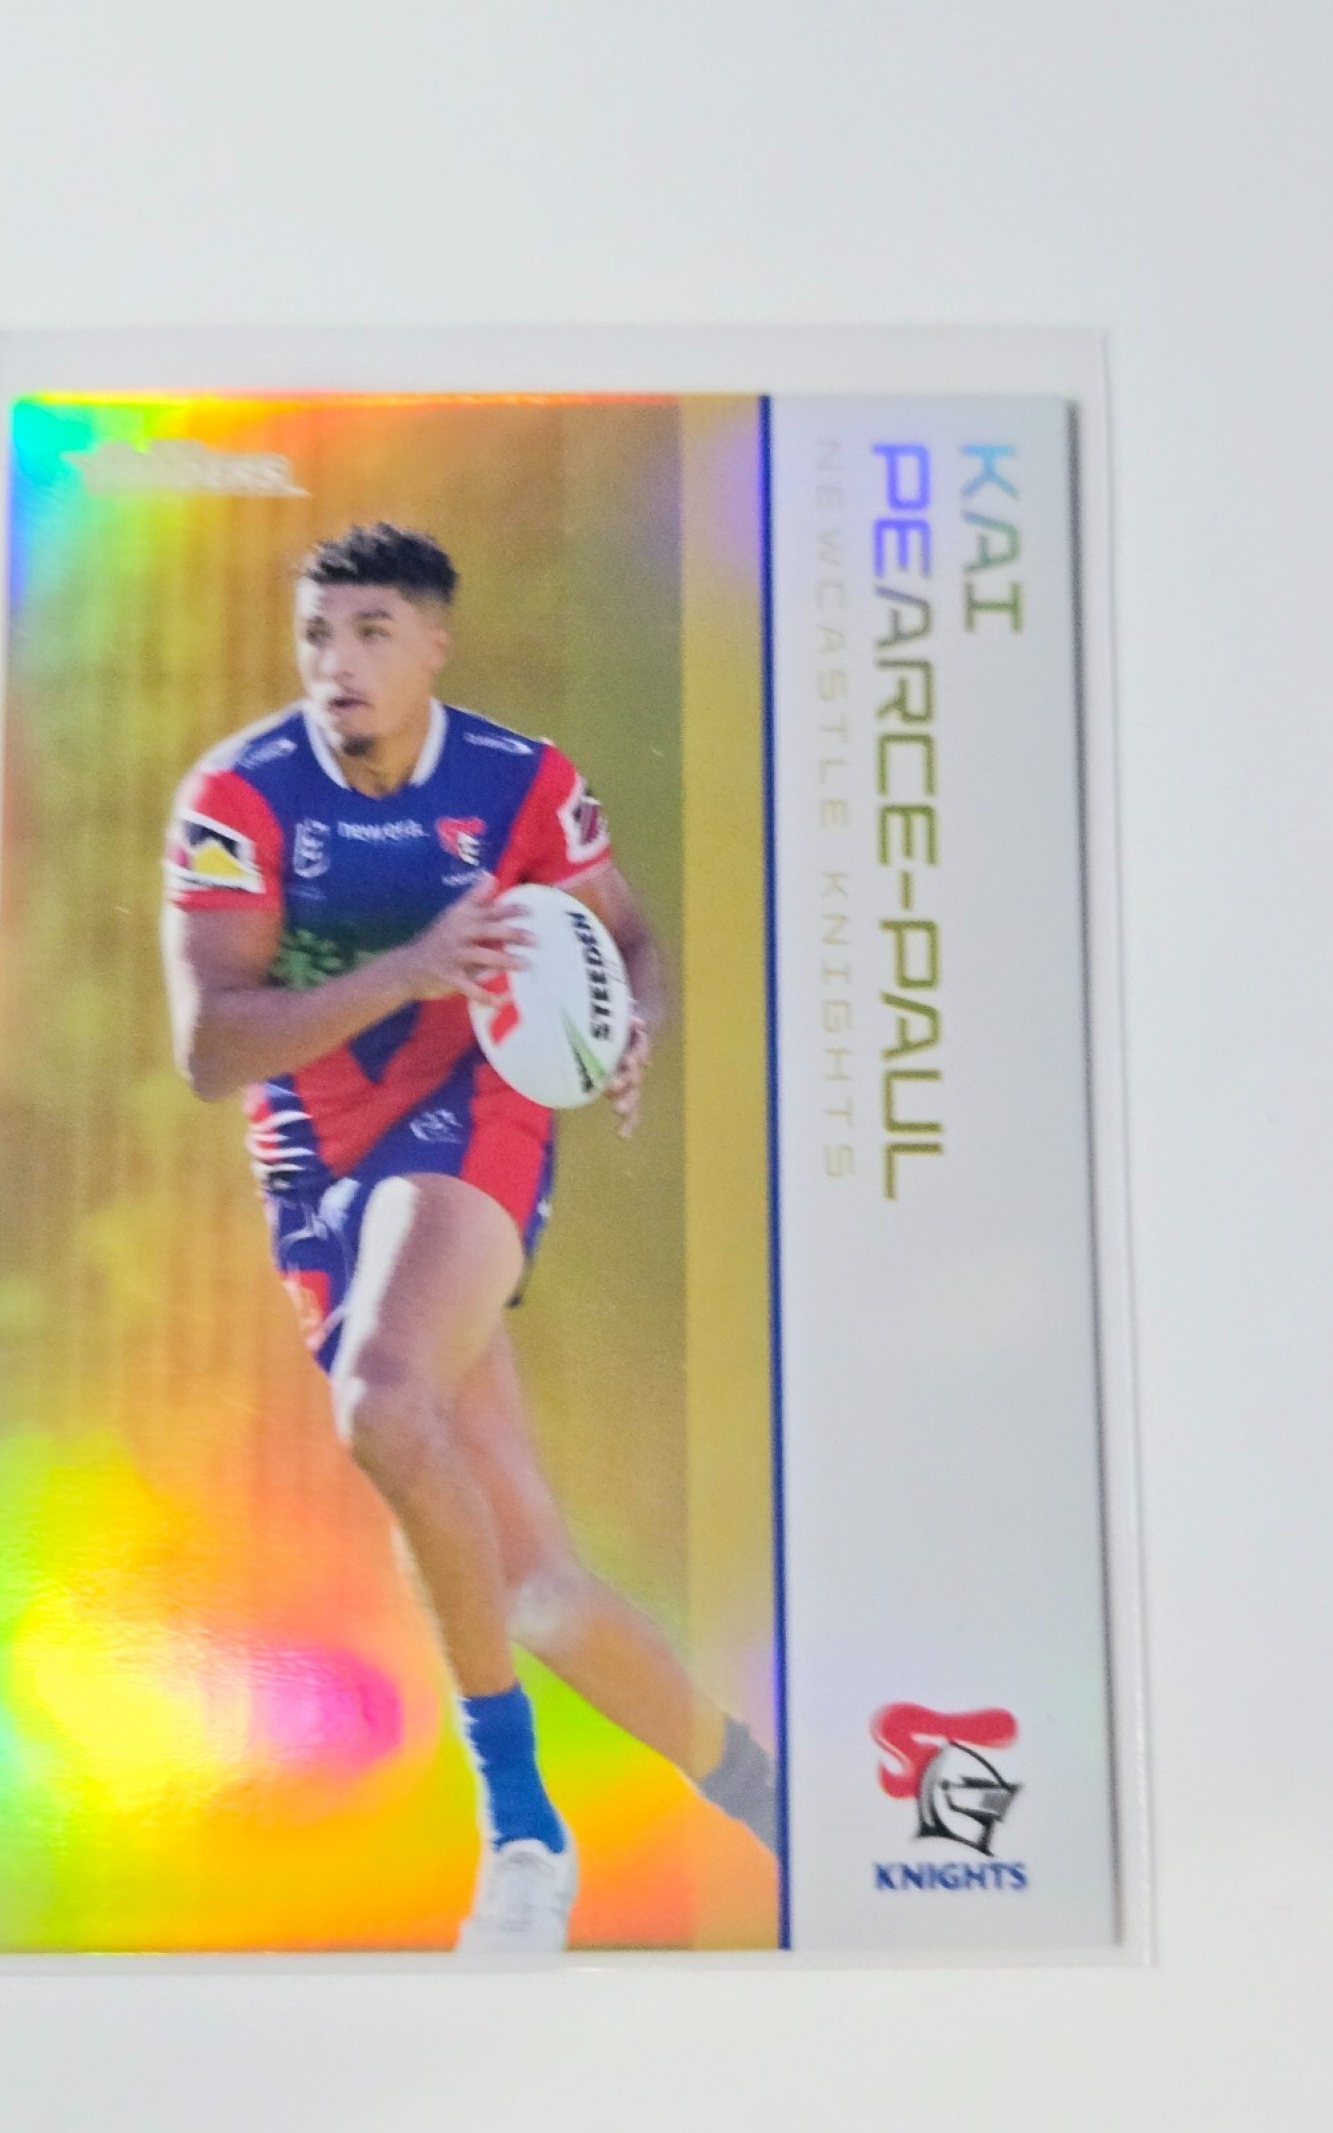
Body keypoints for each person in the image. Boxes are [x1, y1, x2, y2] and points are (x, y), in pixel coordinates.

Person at [161, 522, 775, 1953]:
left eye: (372, 631)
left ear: (437, 643)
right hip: (315, 1156)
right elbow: (211, 1049)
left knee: (380, 1402)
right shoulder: (242, 795)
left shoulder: (519, 783)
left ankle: (522, 1827)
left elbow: (625, 938)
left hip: (472, 1112)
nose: (337, 662)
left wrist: (629, 1027)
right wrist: (411, 966)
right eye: (317, 634)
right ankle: (778, 1800)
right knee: (538, 1588)